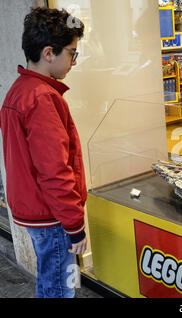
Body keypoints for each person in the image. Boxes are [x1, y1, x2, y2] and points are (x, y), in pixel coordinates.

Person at [0, 7, 87, 298]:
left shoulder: (19, 90)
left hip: (33, 210)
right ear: (49, 53)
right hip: (52, 216)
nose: (73, 61)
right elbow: (55, 171)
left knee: (51, 279)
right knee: (60, 287)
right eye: (72, 53)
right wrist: (74, 224)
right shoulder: (42, 98)